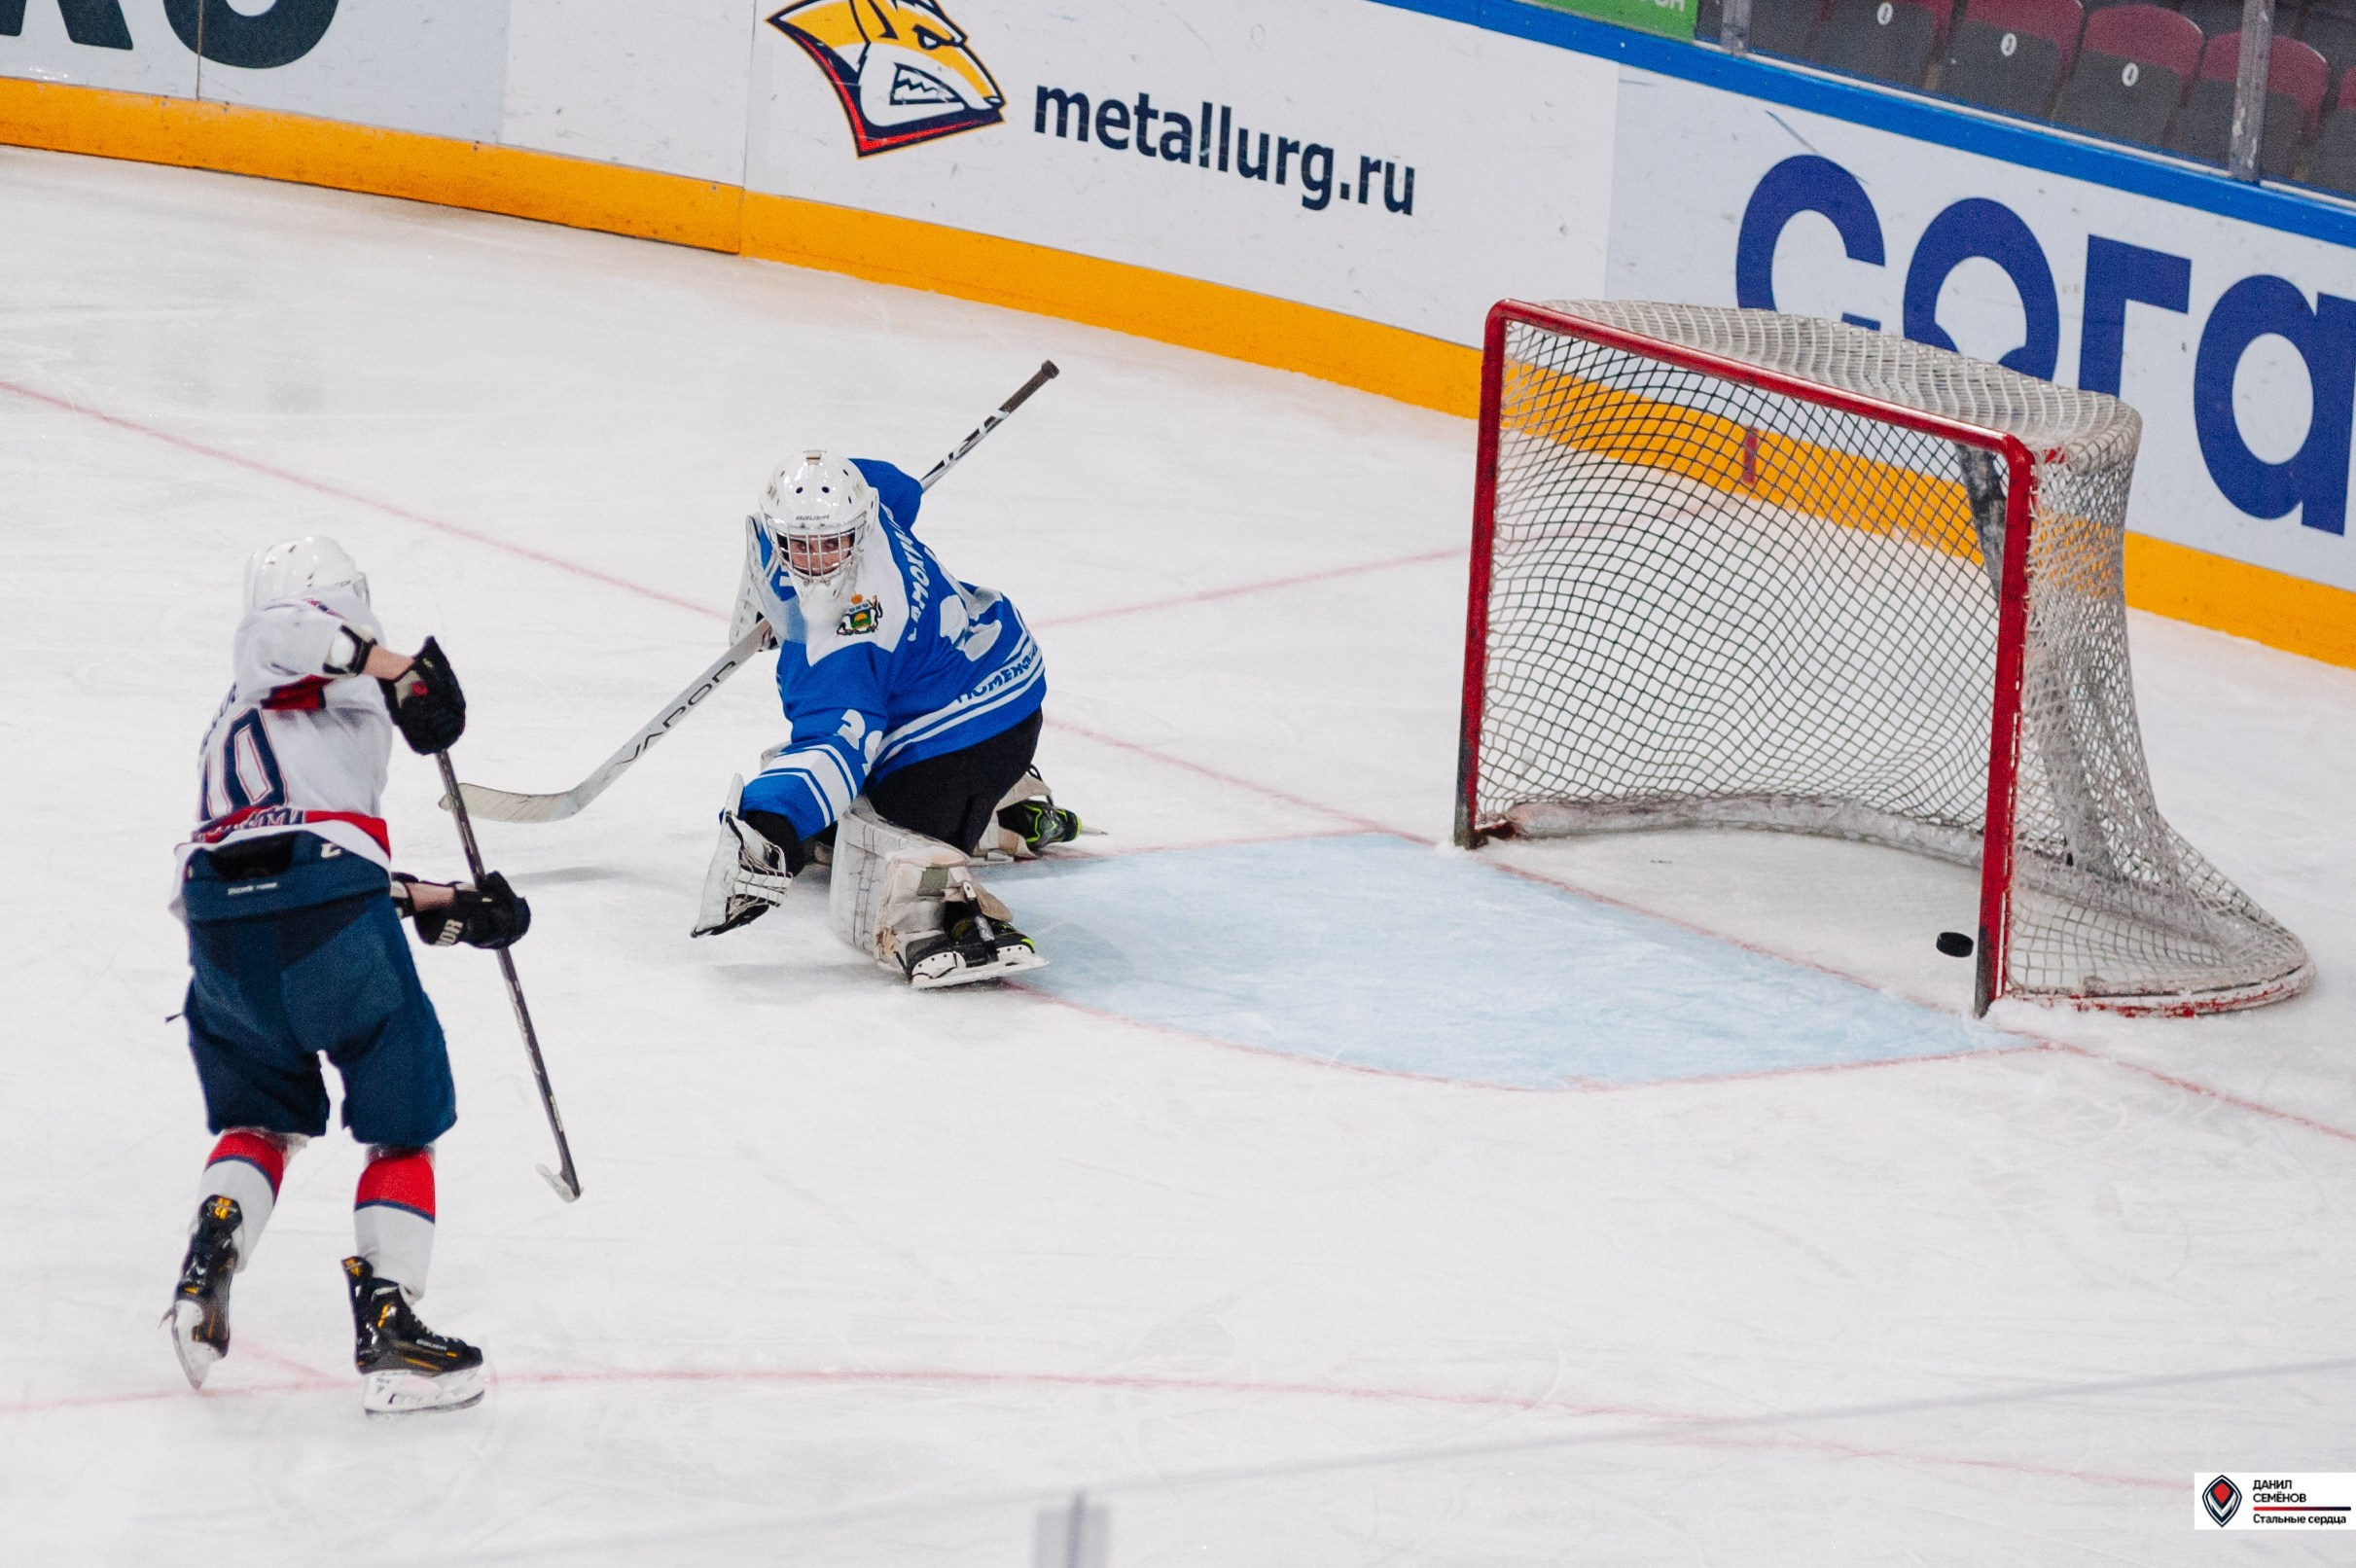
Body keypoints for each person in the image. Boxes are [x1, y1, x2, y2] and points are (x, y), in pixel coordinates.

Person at [165, 537, 528, 1417]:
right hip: (324, 912)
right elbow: (283, 628)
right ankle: (392, 1327)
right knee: (403, 1127)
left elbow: (284, 853)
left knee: (261, 1118)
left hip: (222, 933)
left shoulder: (257, 717)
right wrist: (397, 667)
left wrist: (441, 901)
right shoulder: (288, 646)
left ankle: (209, 1261)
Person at [692, 450, 1080, 986]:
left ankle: (959, 872)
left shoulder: (847, 634)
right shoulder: (872, 503)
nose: (816, 560)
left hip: (960, 737)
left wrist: (769, 828)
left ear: (856, 528)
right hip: (992, 671)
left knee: (882, 846)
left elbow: (838, 742)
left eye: (830, 543)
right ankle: (991, 800)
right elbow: (899, 487)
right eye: (800, 543)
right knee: (837, 806)